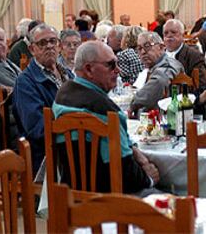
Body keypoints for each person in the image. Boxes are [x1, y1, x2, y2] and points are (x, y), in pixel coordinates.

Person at [52, 41, 159, 194]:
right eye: (111, 65)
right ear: (89, 69)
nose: (118, 70)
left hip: (69, 194)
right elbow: (126, 172)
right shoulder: (105, 111)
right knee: (176, 202)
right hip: (109, 199)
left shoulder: (62, 95)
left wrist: (137, 154)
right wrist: (149, 178)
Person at [13, 24, 74, 175]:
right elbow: (37, 128)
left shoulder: (67, 74)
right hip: (48, 155)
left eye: (53, 41)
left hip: (71, 143)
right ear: (32, 49)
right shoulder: (25, 82)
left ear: (59, 46)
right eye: (42, 43)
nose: (49, 46)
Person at [128, 32, 184, 117]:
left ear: (161, 47)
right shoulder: (153, 67)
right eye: (139, 48)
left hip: (167, 121)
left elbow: (159, 81)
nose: (143, 52)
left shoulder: (168, 65)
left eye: (147, 46)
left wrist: (133, 104)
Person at [163, 19, 206, 88]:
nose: (169, 36)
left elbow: (202, 87)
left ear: (183, 35)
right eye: (166, 33)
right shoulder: (158, 57)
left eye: (173, 32)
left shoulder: (194, 56)